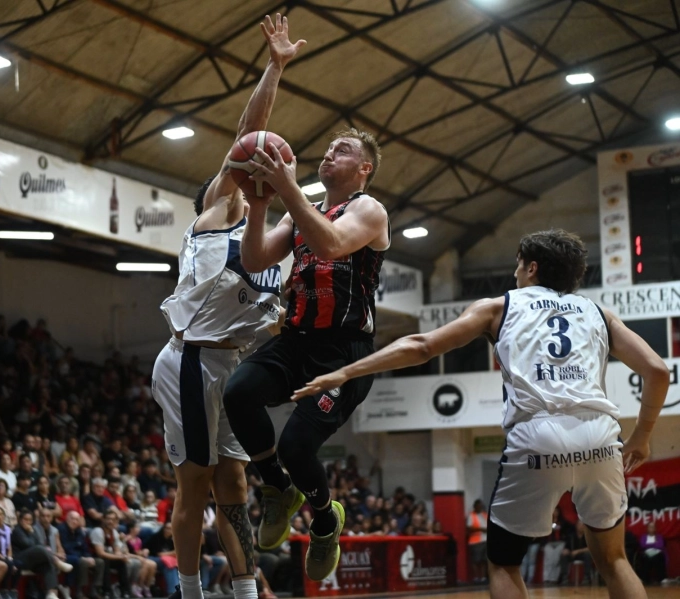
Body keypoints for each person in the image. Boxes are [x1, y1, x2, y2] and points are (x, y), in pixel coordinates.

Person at [294, 229, 670, 599]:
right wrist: (642, 436)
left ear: (532, 268)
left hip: (538, 435)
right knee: (615, 560)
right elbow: (657, 370)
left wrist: (346, 371)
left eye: (519, 266)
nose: (515, 274)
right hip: (600, 436)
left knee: (504, 564)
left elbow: (423, 345)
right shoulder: (599, 313)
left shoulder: (499, 307)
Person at [150, 15, 305, 599]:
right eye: (239, 175)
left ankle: (244, 591)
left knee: (235, 481)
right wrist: (274, 67)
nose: (247, 176)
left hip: (229, 366)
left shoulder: (278, 242)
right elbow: (251, 132)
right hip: (189, 358)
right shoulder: (217, 214)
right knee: (195, 481)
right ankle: (189, 591)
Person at [222, 87, 388, 581]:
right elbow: (253, 260)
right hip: (296, 338)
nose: (331, 152)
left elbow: (333, 245)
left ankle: (323, 521)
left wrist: (289, 191)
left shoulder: (369, 210)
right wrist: (257, 205)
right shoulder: (302, 209)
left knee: (297, 446)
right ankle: (277, 489)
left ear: (364, 169)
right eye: (330, 147)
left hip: (343, 352)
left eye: (345, 150)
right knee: (239, 393)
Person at [59, 510, 104, 599]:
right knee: (82, 562)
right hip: (66, 556)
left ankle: (94, 589)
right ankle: (79, 592)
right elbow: (66, 547)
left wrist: (88, 557)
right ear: (67, 519)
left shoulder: (79, 530)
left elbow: (84, 547)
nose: (74, 521)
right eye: (72, 519)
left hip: (80, 555)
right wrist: (82, 557)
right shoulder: (61, 529)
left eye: (77, 519)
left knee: (100, 562)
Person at [467, 499, 488, 582]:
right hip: (475, 541)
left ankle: (483, 577)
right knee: (476, 560)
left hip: (485, 540)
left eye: (481, 506)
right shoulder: (471, 515)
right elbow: (469, 527)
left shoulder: (484, 515)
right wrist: (481, 529)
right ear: (475, 506)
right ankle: (476, 577)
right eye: (479, 506)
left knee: (484, 560)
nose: (480, 507)